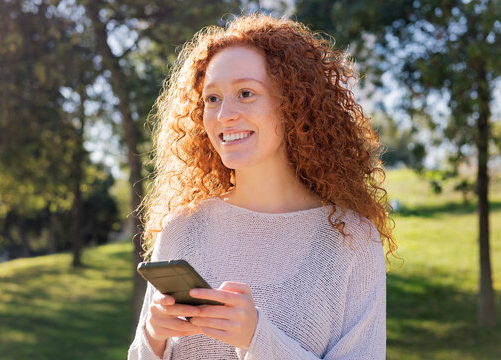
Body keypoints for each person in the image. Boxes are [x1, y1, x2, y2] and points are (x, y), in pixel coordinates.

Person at [128, 13, 396, 360]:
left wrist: (257, 338)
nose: (225, 114)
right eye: (212, 98)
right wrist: (153, 338)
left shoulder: (351, 240)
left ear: (294, 105)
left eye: (245, 93)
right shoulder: (181, 229)